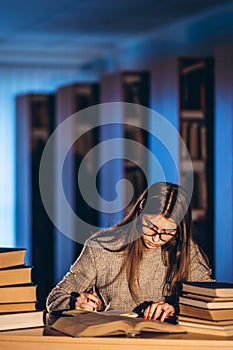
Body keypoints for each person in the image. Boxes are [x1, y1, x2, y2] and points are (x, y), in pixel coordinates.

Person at [46, 181, 213, 322]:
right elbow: (55, 298)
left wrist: (175, 309)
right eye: (150, 227)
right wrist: (74, 302)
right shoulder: (102, 247)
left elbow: (212, 303)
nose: (156, 238)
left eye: (167, 232)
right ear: (139, 212)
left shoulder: (186, 250)